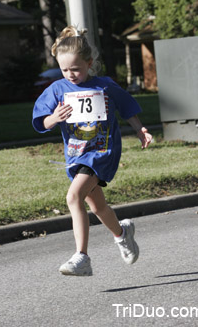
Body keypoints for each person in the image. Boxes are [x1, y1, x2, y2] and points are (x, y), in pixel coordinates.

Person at [32, 26, 152, 276]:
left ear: (89, 63)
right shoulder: (57, 89)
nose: (70, 74)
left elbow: (128, 107)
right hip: (76, 154)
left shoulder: (105, 86)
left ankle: (82, 257)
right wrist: (54, 117)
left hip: (101, 152)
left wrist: (140, 130)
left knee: (73, 197)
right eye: (65, 70)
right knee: (97, 207)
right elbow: (41, 122)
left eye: (76, 69)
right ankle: (122, 234)